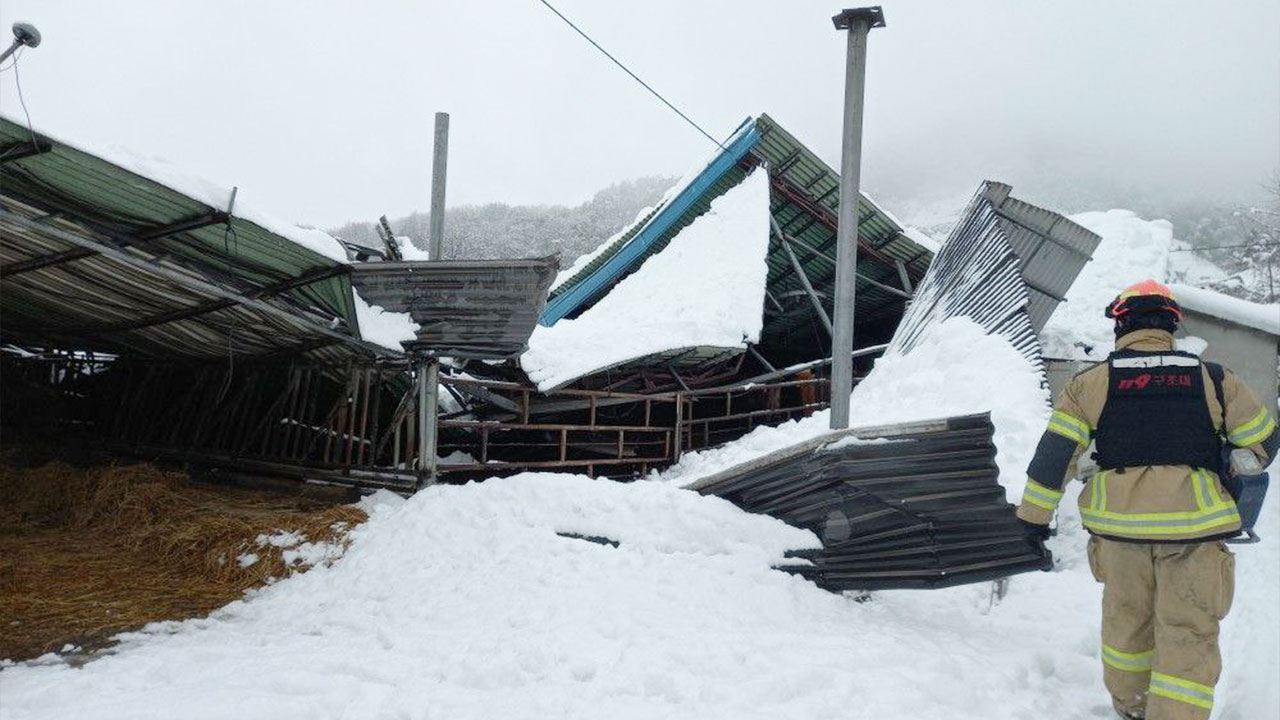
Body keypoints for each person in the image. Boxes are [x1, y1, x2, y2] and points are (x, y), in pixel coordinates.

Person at [1016, 279, 1277, 720]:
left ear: (1121, 325)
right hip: (1195, 529)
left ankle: (1133, 710)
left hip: (1119, 533)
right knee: (1188, 632)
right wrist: (1228, 462)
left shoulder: (1089, 384)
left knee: (1127, 627)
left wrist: (1032, 521)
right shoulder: (1215, 379)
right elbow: (1263, 443)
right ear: (1172, 324)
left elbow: (1054, 458)